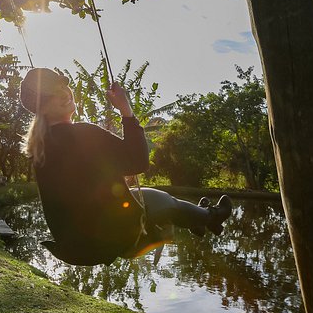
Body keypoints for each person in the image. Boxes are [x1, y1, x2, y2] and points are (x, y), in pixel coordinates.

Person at [20, 67, 233, 266]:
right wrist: (126, 109)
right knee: (163, 200)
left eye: (62, 86)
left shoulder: (40, 146)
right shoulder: (82, 134)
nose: (63, 94)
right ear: (42, 108)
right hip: (109, 238)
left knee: (140, 197)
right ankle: (212, 216)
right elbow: (138, 161)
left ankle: (196, 219)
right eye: (53, 94)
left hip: (76, 247)